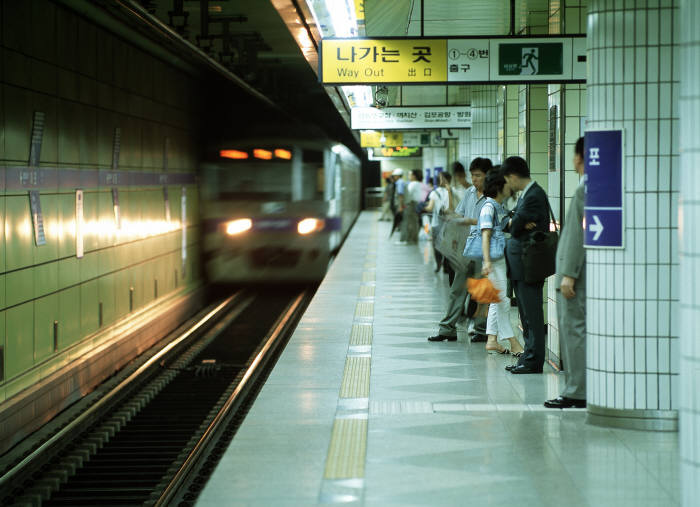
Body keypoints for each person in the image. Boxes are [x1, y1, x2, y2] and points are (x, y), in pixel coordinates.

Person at [427, 158, 491, 342]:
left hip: (483, 249)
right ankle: (447, 328)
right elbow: (461, 214)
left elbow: (495, 222)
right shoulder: (470, 192)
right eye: (473, 175)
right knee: (457, 289)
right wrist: (450, 216)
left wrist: (472, 222)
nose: (475, 179)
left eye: (478, 176)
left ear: (487, 175)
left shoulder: (493, 196)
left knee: (480, 291)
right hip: (466, 247)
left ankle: (481, 330)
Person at [545, 138, 587, 408]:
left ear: (580, 158)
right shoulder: (592, 187)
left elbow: (578, 235)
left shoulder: (587, 189)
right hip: (575, 273)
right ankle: (577, 387)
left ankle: (576, 391)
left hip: (575, 277)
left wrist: (569, 273)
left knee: (574, 331)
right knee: (574, 331)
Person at [501, 156, 551, 374]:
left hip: (529, 263)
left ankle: (533, 361)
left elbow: (514, 225)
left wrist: (516, 222)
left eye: (507, 180)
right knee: (525, 316)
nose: (508, 185)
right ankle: (527, 358)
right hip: (521, 264)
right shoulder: (527, 195)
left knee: (532, 315)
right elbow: (508, 222)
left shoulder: (534, 195)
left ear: (513, 176)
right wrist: (515, 221)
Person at [479, 170, 525, 356]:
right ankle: (513, 342)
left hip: (498, 260)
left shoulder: (498, 206)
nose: (509, 186)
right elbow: (485, 234)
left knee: (497, 301)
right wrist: (487, 262)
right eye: (506, 183)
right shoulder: (489, 207)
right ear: (499, 186)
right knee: (503, 301)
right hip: (494, 260)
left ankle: (492, 339)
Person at [424, 172, 455, 275]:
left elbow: (430, 208)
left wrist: (422, 208)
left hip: (436, 223)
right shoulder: (453, 191)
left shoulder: (435, 192)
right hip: (450, 224)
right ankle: (446, 266)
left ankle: (438, 265)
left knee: (437, 246)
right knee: (448, 246)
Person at [402, 169, 423, 244]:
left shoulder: (412, 184)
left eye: (410, 174)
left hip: (411, 204)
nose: (408, 176)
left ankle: (410, 239)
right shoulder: (418, 183)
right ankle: (414, 239)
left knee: (410, 222)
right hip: (416, 204)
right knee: (414, 222)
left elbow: (408, 194)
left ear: (414, 176)